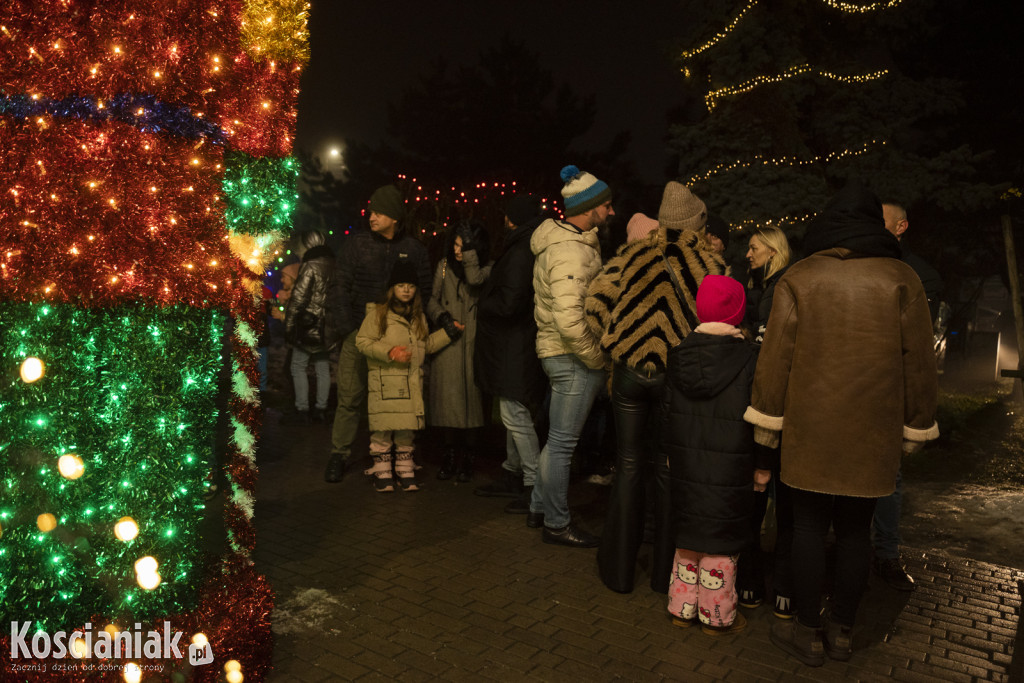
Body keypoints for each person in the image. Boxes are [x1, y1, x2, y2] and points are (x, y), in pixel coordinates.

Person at [745, 183, 939, 666]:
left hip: (809, 427)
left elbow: (776, 358)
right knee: (856, 532)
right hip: (873, 430)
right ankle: (843, 632)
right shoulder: (902, 278)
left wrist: (767, 421)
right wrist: (917, 423)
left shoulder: (800, 276)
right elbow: (919, 361)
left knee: (808, 529)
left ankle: (807, 631)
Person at [585, 184, 726, 593]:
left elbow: (594, 305)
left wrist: (618, 341)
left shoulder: (633, 255)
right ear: (696, 224)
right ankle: (666, 576)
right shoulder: (709, 265)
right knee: (667, 468)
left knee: (628, 465)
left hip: (630, 372)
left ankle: (618, 572)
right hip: (673, 376)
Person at [664, 275, 768, 635]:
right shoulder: (750, 359)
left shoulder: (678, 355)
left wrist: (669, 454)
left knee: (689, 536)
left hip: (686, 465)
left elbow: (667, 413)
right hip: (731, 468)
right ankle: (717, 617)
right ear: (738, 313)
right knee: (722, 541)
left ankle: (681, 609)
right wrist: (762, 466)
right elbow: (759, 418)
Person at [529, 164, 613, 548]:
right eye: (606, 205)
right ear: (588, 207)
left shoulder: (571, 243)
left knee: (556, 442)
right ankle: (557, 523)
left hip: (562, 354)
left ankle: (539, 508)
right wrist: (596, 359)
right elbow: (568, 318)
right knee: (563, 445)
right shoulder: (570, 251)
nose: (611, 211)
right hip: (572, 356)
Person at [326, 185, 432, 483]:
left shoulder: (414, 249)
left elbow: (424, 289)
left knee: (397, 397)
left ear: (395, 217)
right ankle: (339, 454)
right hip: (359, 335)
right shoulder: (357, 245)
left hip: (397, 339)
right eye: (371, 211)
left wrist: (414, 326)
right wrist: (349, 328)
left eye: (379, 212)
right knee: (350, 395)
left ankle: (398, 456)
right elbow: (339, 286)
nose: (371, 216)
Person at [871, 201, 944, 591]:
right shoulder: (865, 264)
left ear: (901, 227)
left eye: (881, 221)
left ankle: (885, 553)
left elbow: (917, 345)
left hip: (890, 388)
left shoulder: (919, 275)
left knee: (889, 476)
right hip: (858, 385)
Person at [355, 261, 461, 492]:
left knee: (405, 429)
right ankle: (382, 471)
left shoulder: (418, 317)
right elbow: (362, 342)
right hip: (385, 384)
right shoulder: (378, 315)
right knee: (383, 429)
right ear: (392, 288)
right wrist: (389, 353)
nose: (406, 290)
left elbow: (425, 345)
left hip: (409, 385)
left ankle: (404, 469)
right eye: (401, 285)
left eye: (411, 286)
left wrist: (448, 333)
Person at [474, 195, 547, 508]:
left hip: (513, 346)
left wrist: (483, 305)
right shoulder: (525, 245)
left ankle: (533, 483)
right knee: (512, 410)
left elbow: (510, 302)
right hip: (514, 345)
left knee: (514, 414)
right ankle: (512, 473)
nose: (503, 219)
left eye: (507, 215)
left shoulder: (520, 250)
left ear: (514, 218)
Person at [737, 225, 793, 614]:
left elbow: (769, 351)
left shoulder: (778, 290)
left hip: (770, 405)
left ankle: (752, 581)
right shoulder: (775, 286)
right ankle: (784, 589)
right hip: (787, 405)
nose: (748, 253)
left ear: (773, 251)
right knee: (784, 500)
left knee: (759, 494)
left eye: (754, 247)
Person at [428, 220, 492, 482]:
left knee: (473, 405)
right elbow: (431, 299)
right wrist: (442, 317)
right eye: (455, 245)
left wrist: (469, 255)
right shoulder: (443, 266)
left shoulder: (488, 268)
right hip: (449, 343)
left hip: (475, 344)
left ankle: (469, 457)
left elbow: (474, 279)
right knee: (448, 404)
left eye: (463, 246)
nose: (457, 250)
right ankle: (450, 454)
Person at [283, 229, 338, 423]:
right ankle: (321, 409)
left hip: (309, 325)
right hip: (328, 327)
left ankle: (302, 409)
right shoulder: (335, 265)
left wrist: (289, 325)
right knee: (322, 368)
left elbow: (299, 298)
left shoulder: (309, 265)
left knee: (298, 366)